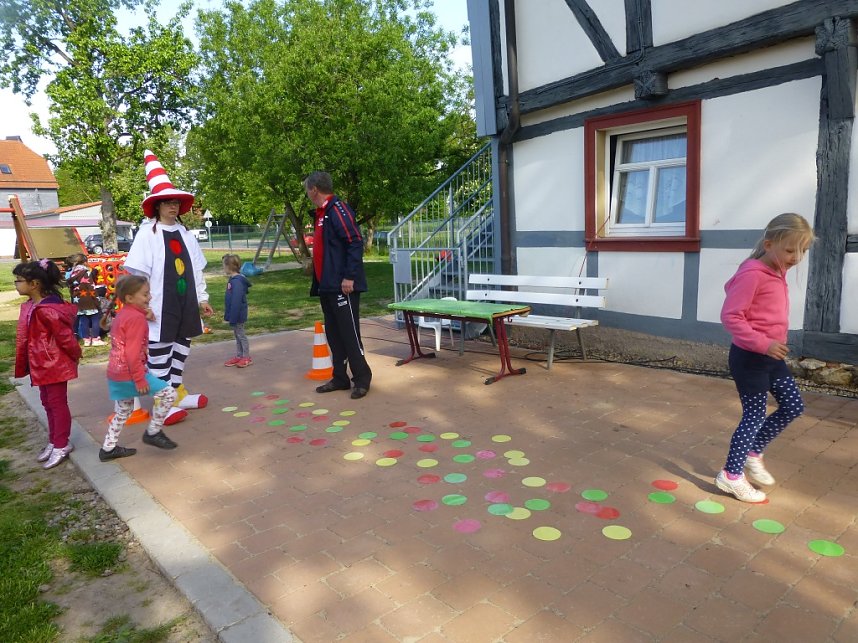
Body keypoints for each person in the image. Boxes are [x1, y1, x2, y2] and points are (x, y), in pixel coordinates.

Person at [716, 213, 815, 502]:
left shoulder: (777, 270)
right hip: (749, 358)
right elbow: (731, 316)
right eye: (790, 250)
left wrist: (772, 344)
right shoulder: (753, 273)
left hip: (770, 358)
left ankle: (753, 452)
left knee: (793, 406)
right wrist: (763, 343)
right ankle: (731, 475)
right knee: (755, 414)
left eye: (803, 251)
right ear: (769, 244)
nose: (797, 257)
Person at [123, 150, 214, 425]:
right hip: (160, 306)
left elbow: (196, 269)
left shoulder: (186, 234)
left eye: (175, 203)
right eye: (167, 203)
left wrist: (202, 299)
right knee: (160, 352)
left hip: (185, 304)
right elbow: (136, 275)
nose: (172, 207)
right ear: (157, 207)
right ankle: (163, 403)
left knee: (181, 348)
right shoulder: (146, 235)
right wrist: (144, 307)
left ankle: (175, 393)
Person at [303, 171, 372, 399]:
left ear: (314, 189)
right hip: (328, 286)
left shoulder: (338, 209)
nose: (307, 194)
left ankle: (362, 378)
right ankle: (340, 377)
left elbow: (354, 241)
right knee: (334, 334)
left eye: (307, 190)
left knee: (350, 334)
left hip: (344, 286)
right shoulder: (322, 213)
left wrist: (350, 277)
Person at [13, 259, 82, 469]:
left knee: (57, 403)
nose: (16, 284)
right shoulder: (33, 306)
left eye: (19, 280)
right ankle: (54, 440)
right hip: (41, 364)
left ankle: (62, 443)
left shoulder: (48, 310)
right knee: (47, 402)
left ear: (34, 284)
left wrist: (75, 354)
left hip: (54, 365)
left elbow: (65, 338)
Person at [101, 275, 179, 459]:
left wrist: (144, 313)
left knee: (123, 410)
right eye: (145, 294)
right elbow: (132, 352)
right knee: (169, 394)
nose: (149, 297)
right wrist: (139, 378)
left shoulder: (125, 314)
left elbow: (129, 328)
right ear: (129, 298)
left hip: (116, 372)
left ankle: (108, 448)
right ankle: (153, 432)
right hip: (130, 373)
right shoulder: (136, 319)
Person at [67, 253, 105, 346]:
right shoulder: (86, 272)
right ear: (84, 262)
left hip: (78, 300)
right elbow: (91, 287)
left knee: (84, 319)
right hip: (89, 299)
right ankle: (95, 339)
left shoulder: (72, 273)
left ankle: (86, 340)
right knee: (95, 318)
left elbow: (71, 288)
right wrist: (96, 299)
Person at [221, 253, 252, 368]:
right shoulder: (233, 280)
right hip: (235, 314)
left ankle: (246, 356)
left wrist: (232, 317)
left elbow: (236, 301)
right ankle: (239, 355)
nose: (223, 268)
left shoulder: (237, 282)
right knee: (237, 335)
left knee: (241, 335)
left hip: (238, 314)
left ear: (229, 267)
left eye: (224, 266)